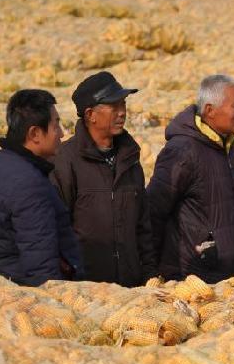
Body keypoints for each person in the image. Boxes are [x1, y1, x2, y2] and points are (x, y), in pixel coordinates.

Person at [51, 71, 157, 287]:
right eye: (114, 106)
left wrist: (149, 274)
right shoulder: (66, 160)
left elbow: (143, 227)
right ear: (91, 114)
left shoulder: (130, 159)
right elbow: (55, 227)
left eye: (123, 104)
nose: (122, 112)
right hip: (87, 289)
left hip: (131, 287)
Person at [147, 74, 234, 283]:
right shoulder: (183, 151)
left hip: (225, 276)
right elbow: (152, 212)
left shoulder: (226, 144)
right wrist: (150, 272)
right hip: (192, 278)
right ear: (210, 111)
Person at [0, 89, 81, 286]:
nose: (61, 133)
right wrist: (55, 298)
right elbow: (40, 263)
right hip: (28, 287)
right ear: (35, 134)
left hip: (7, 280)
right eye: (56, 125)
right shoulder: (29, 183)